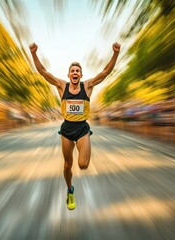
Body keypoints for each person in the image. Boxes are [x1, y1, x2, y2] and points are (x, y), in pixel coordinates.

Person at [29, 42, 120, 210]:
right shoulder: (61, 85)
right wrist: (34, 53)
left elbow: (105, 72)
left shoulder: (88, 85)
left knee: (83, 165)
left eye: (77, 71)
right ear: (69, 74)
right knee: (67, 164)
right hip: (67, 129)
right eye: (72, 71)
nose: (75, 73)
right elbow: (42, 72)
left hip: (82, 129)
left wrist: (115, 53)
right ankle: (70, 190)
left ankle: (74, 178)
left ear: (81, 74)